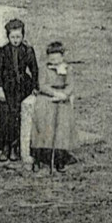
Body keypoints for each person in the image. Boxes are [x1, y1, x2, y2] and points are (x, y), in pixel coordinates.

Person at [0, 18, 39, 162]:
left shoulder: (28, 50)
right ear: (8, 36)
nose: (15, 40)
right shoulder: (3, 51)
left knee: (18, 117)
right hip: (7, 88)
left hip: (22, 88)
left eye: (18, 37)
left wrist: (34, 87)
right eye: (12, 37)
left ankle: (15, 147)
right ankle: (5, 147)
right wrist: (0, 89)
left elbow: (34, 69)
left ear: (23, 36)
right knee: (6, 118)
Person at [31, 42, 77, 172]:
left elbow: (70, 85)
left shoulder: (67, 69)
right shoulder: (44, 69)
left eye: (57, 59)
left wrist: (64, 95)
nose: (54, 62)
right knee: (43, 127)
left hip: (62, 99)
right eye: (51, 59)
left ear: (62, 57)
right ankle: (38, 158)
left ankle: (59, 158)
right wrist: (54, 93)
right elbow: (42, 85)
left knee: (61, 129)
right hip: (47, 98)